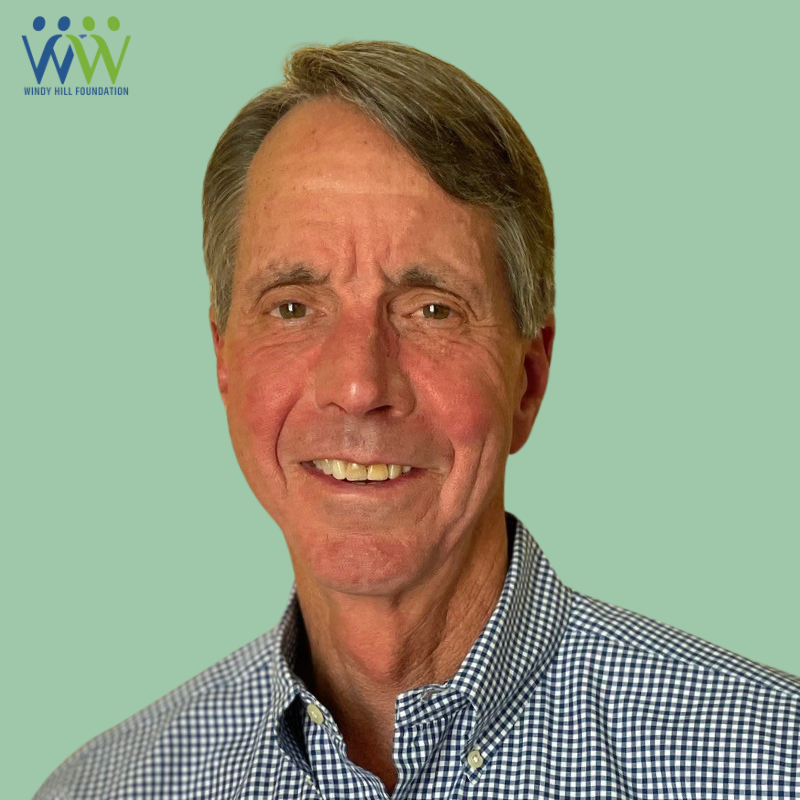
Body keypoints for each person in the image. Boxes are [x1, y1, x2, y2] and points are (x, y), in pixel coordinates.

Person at [35, 40, 799, 800]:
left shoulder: (772, 763)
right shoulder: (101, 788)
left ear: (528, 379)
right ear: (224, 362)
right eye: (293, 308)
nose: (359, 384)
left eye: (432, 309)